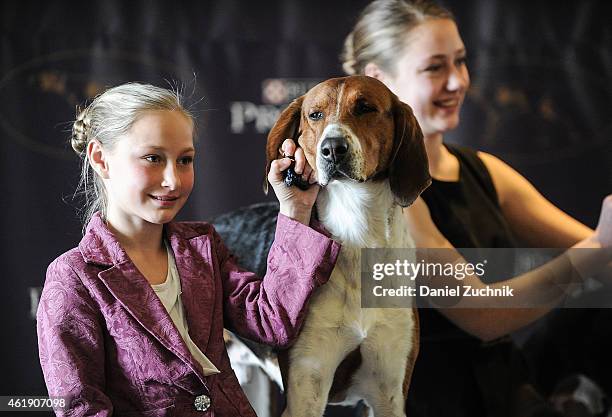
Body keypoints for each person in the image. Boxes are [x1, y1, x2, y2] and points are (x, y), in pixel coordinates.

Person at [341, 0, 611, 416]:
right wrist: (596, 252)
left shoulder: (483, 170)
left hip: (505, 390)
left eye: (461, 62)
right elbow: (481, 313)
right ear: (377, 78)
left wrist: (601, 251)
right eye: (435, 68)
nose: (457, 81)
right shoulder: (381, 193)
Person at [36, 82, 340, 417]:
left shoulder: (202, 246)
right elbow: (81, 408)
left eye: (185, 160)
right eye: (153, 158)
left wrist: (295, 210)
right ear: (100, 158)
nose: (173, 180)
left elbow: (272, 323)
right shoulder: (74, 277)